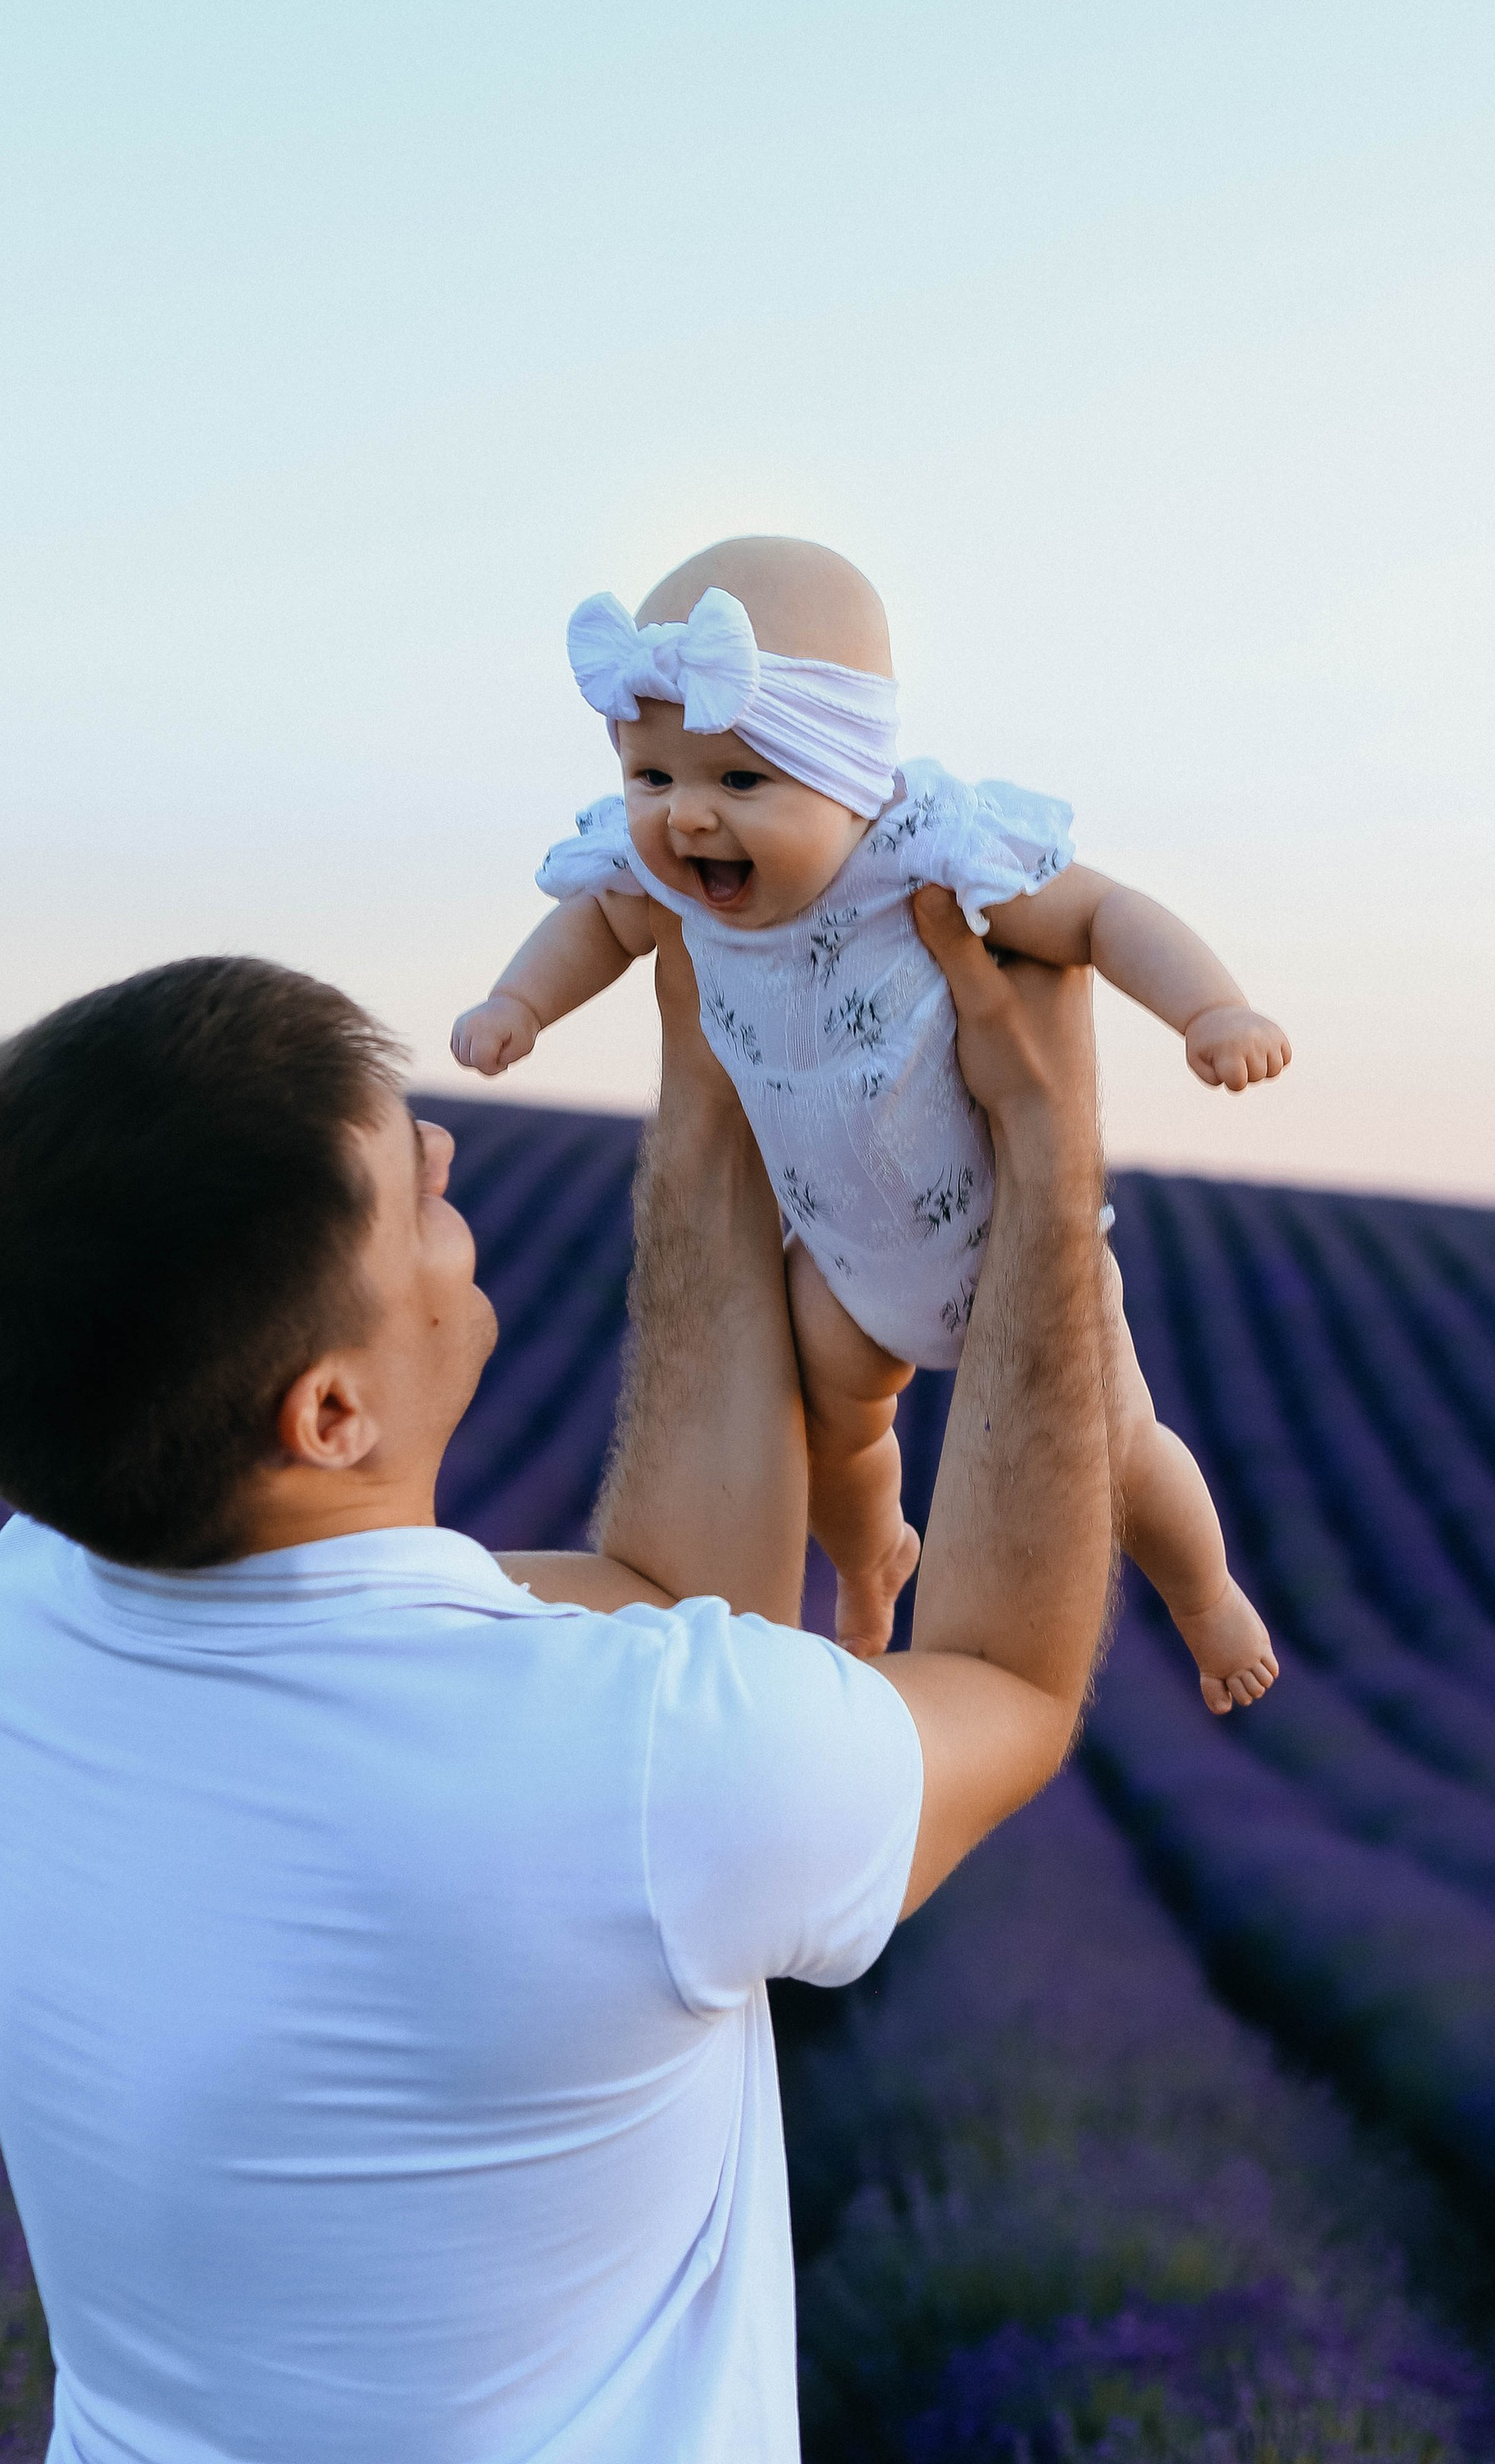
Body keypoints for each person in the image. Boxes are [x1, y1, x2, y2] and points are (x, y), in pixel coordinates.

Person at [0, 897, 1122, 2464]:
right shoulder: (639, 1777)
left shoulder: (33, 1609)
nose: (450, 1164)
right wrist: (1048, 1152)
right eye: (409, 1190)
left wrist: (721, 1054)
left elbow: (662, 1610)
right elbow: (1009, 1680)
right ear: (329, 1416)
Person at [451, 533, 1283, 1696]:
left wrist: (1212, 1010)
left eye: (741, 782)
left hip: (1009, 1256)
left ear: (847, 775)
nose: (686, 819)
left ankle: (1208, 1598)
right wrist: (517, 1003)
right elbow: (594, 925)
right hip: (844, 1259)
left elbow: (1101, 917)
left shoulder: (920, 858)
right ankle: (873, 1557)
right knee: (835, 1433)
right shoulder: (664, 888)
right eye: (653, 779)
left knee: (1118, 1452)